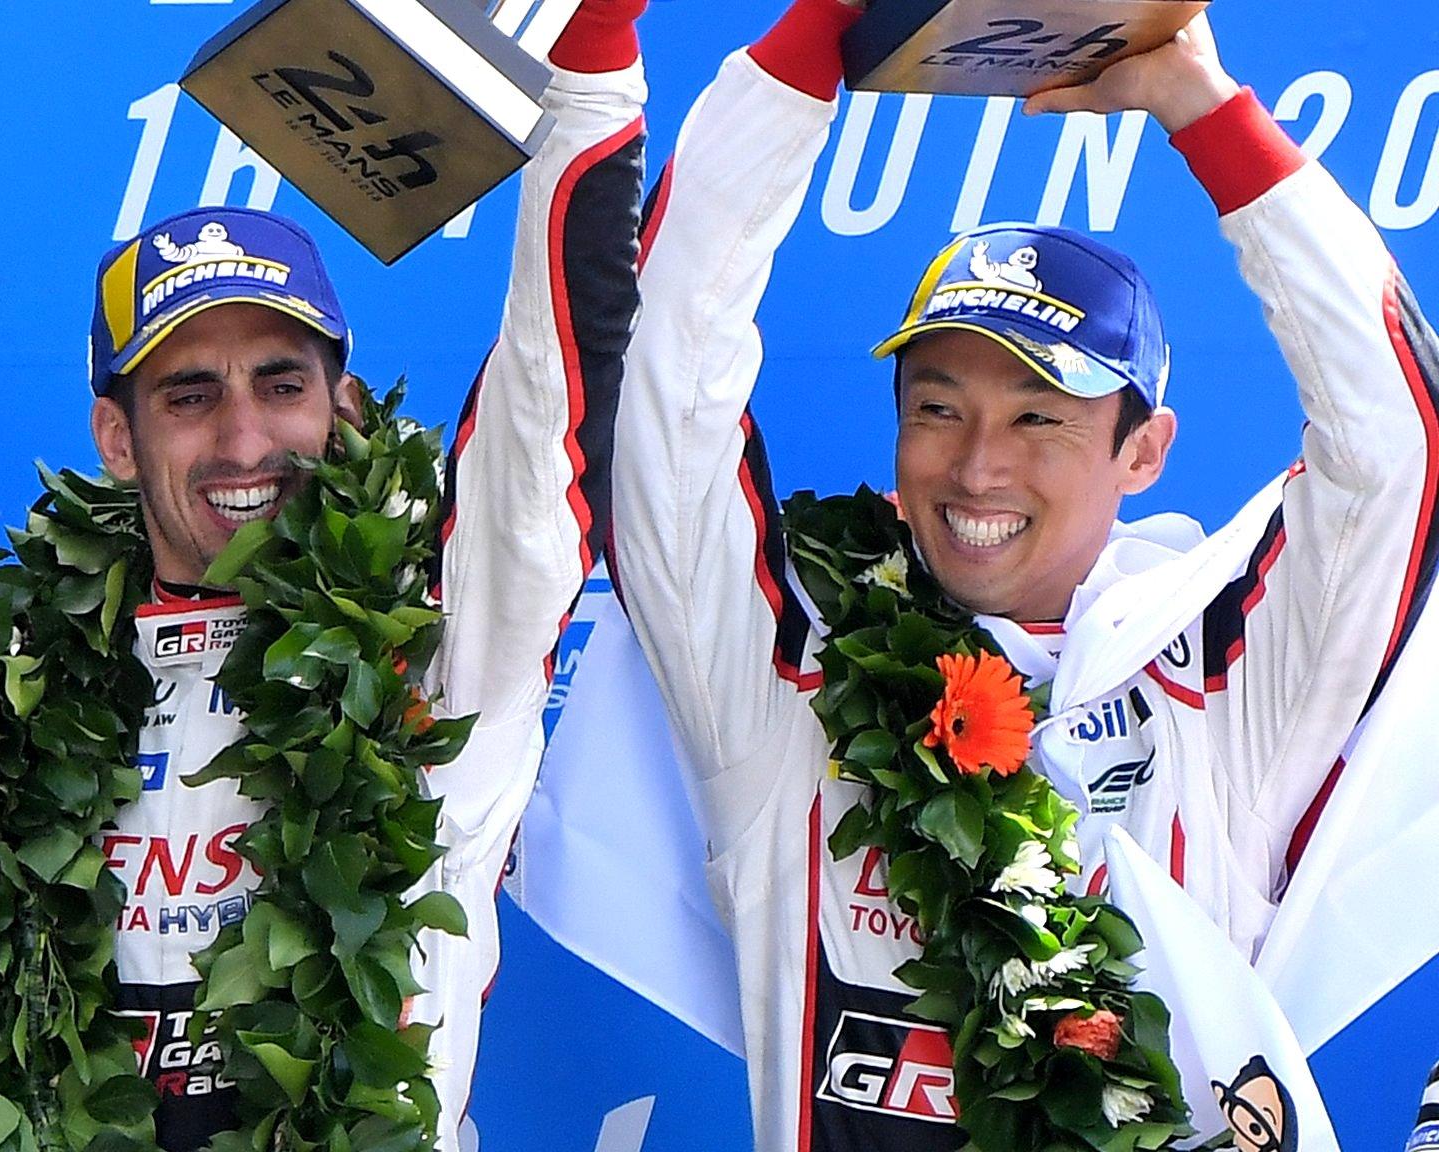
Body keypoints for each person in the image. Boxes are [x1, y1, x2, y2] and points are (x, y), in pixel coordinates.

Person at [610, 0, 1438, 1148]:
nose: (977, 466)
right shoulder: (784, 689)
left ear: (1140, 452)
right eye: (935, 408)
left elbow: (1395, 441)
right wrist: (816, 33)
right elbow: (662, 379)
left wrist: (1205, 112)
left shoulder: (1226, 702)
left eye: (1038, 415)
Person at [80, 3, 648, 1146]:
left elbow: (556, 389)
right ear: (115, 435)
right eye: (189, 395)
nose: (244, 439)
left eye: (280, 385)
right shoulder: (17, 682)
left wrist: (594, 62)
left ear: (342, 409)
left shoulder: (442, 636)